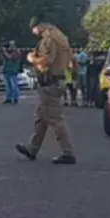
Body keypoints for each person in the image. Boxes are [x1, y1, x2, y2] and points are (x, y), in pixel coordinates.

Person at [15, 21, 76, 165]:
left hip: (49, 82)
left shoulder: (49, 39)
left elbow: (47, 60)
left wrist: (32, 58)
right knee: (42, 117)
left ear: (40, 25)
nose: (34, 32)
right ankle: (32, 148)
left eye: (34, 28)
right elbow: (70, 59)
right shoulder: (62, 38)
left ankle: (68, 152)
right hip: (58, 80)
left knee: (55, 118)